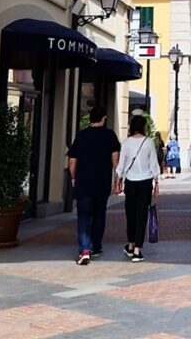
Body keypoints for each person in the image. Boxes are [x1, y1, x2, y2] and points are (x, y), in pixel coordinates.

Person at [66, 105, 120, 265]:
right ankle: (96, 246)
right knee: (99, 214)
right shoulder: (109, 135)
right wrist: (117, 180)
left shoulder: (81, 135)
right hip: (102, 182)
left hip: (83, 183)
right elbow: (116, 161)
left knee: (83, 215)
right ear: (104, 118)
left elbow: (72, 161)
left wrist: (73, 177)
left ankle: (84, 249)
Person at [115, 114, 160, 262]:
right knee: (141, 215)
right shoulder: (149, 142)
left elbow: (121, 165)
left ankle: (130, 243)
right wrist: (156, 183)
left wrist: (118, 182)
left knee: (130, 214)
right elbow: (153, 164)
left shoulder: (126, 143)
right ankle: (137, 250)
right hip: (145, 182)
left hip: (130, 182)